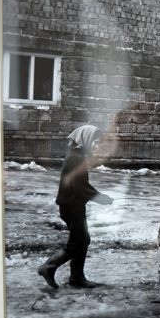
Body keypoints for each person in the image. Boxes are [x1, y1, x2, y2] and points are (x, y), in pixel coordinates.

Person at [38, 124, 114, 289]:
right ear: (85, 139)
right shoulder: (77, 159)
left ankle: (76, 277)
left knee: (82, 240)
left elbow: (80, 186)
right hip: (71, 207)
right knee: (79, 241)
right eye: (94, 142)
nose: (96, 146)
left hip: (73, 205)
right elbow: (80, 187)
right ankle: (49, 267)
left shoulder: (76, 156)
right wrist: (103, 198)